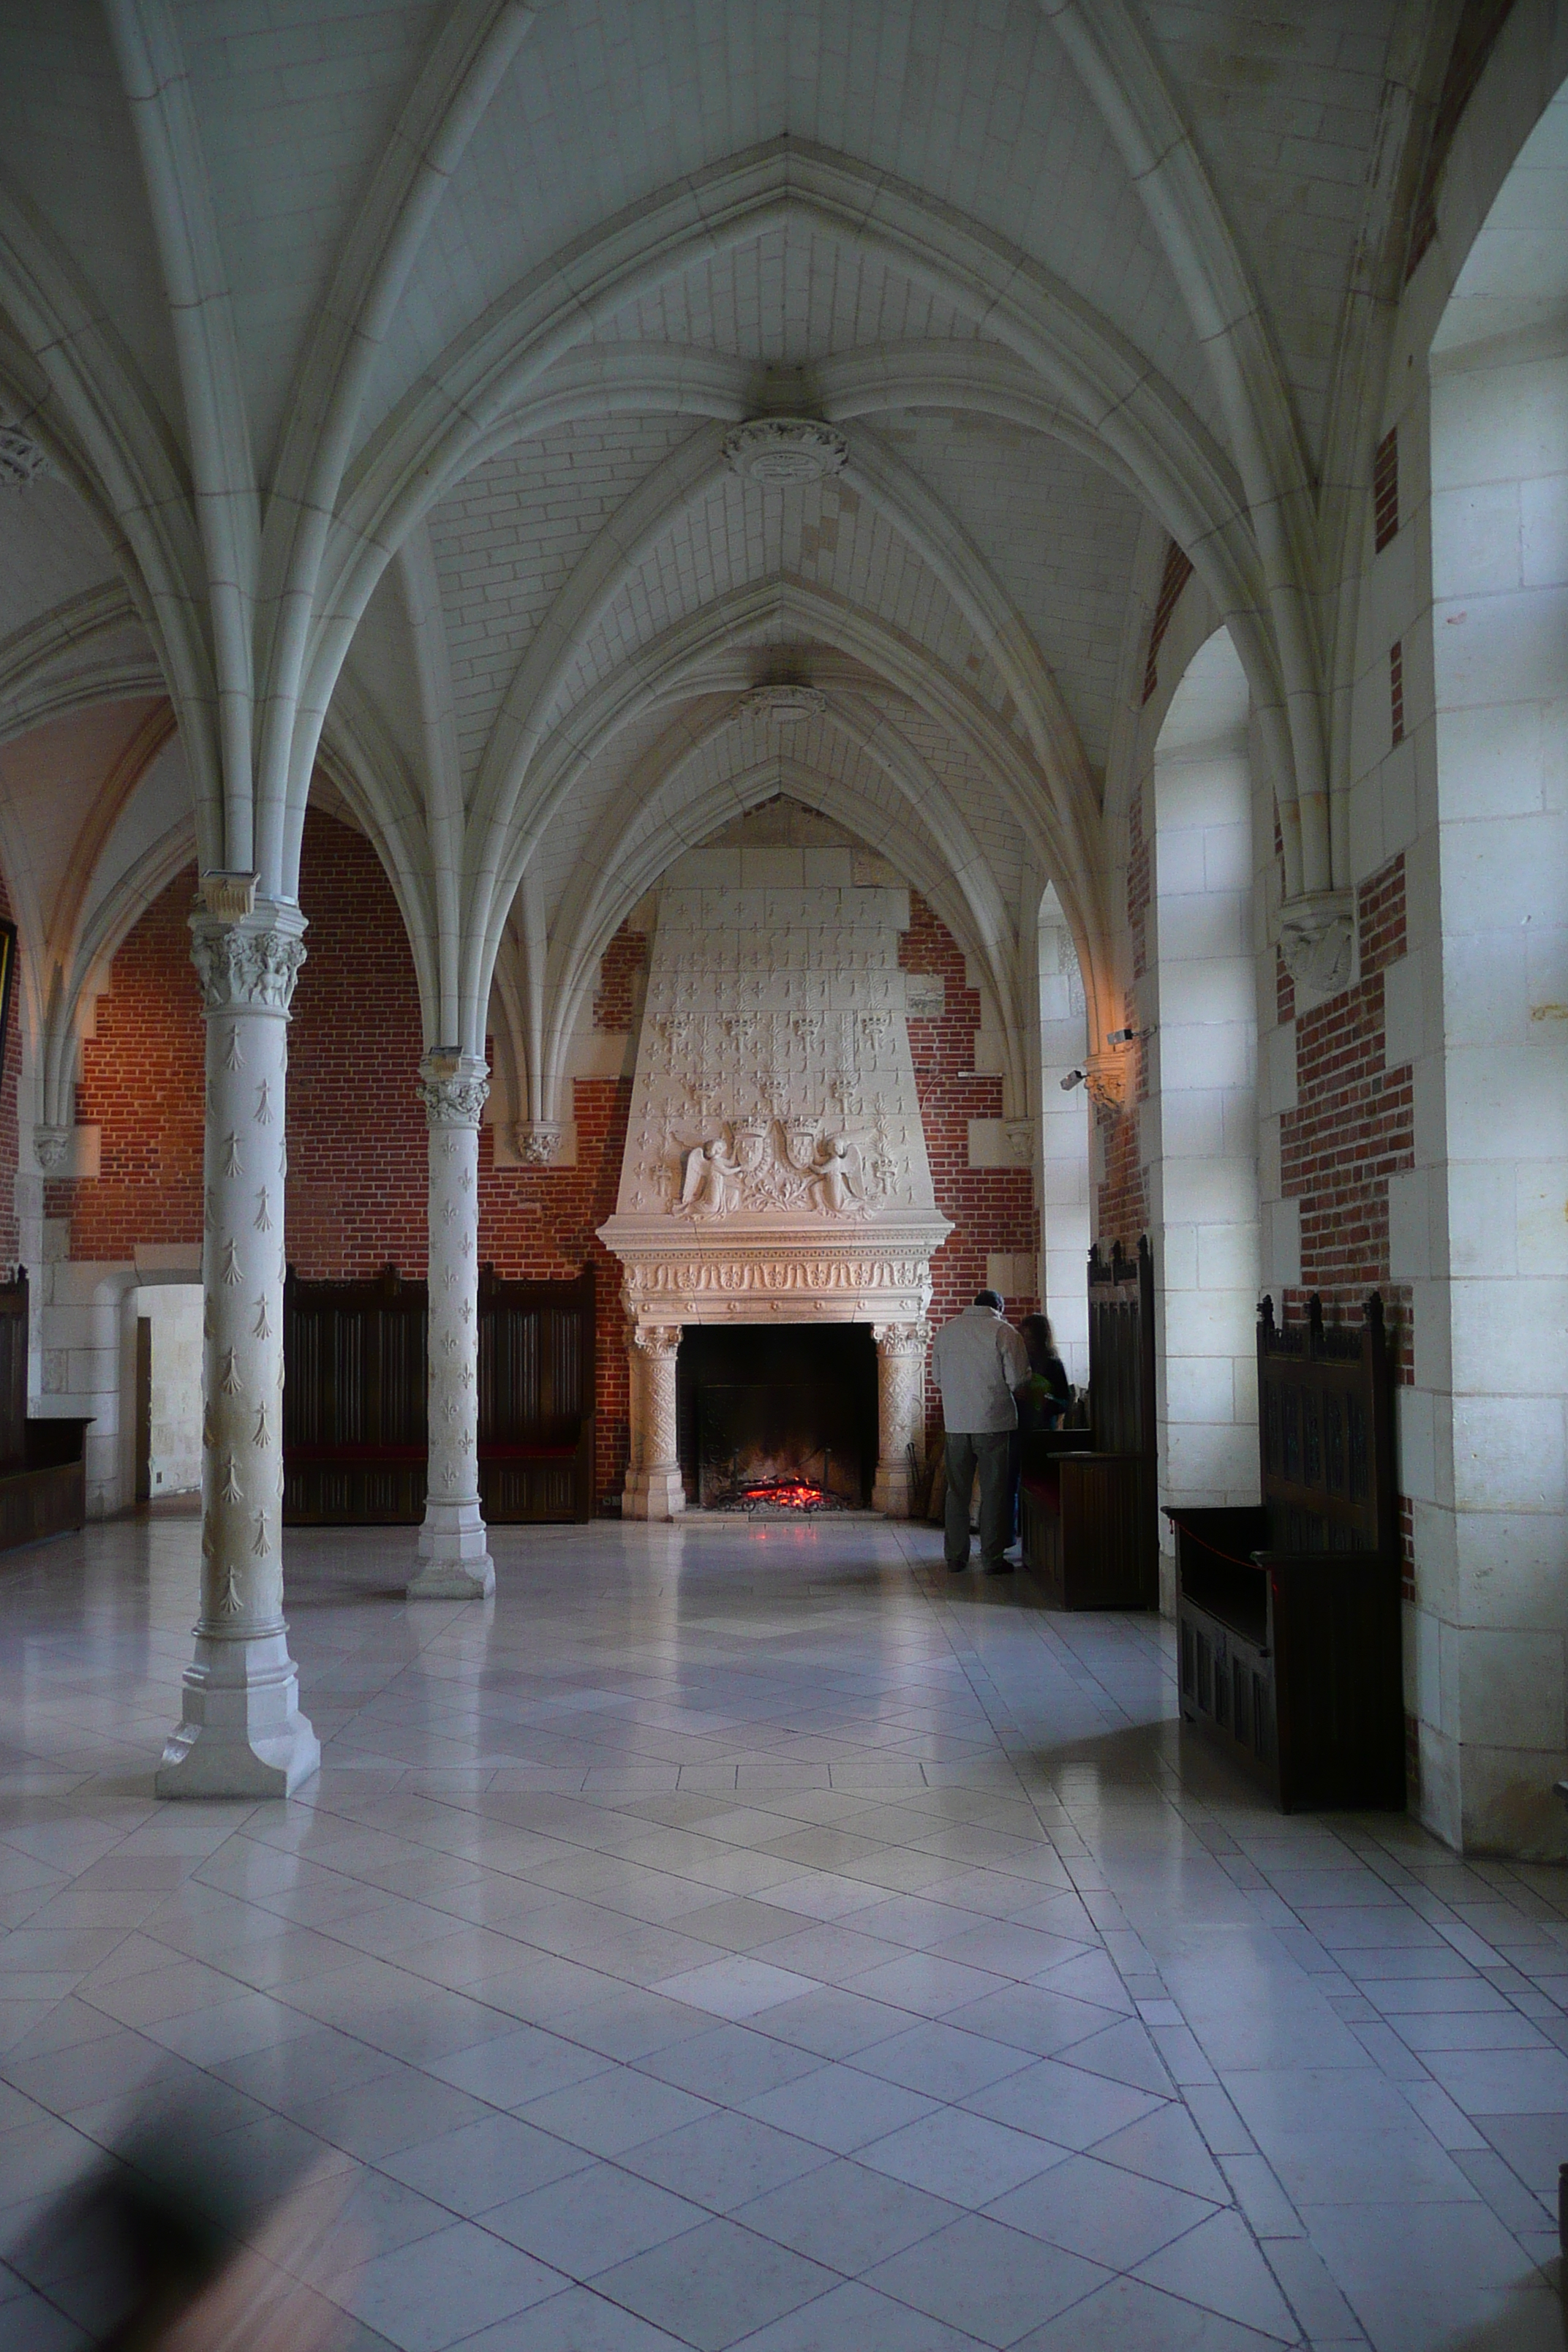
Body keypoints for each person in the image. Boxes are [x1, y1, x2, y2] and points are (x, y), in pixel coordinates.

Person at [930, 1289, 1029, 1575]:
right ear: (999, 1306)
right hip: (993, 1423)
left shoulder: (946, 1332)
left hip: (956, 1423)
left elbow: (937, 1378)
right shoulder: (1004, 1332)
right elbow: (1017, 1380)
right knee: (994, 1493)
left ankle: (955, 1557)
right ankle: (991, 1558)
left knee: (956, 1493)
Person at [1010, 1312, 1073, 1544]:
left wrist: (1046, 1399)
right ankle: (1017, 1533)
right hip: (1018, 1428)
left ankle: (1036, 1537)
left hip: (1043, 1432)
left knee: (1037, 1481)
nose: (1025, 1343)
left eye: (1029, 1338)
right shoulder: (1017, 1362)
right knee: (1014, 1482)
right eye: (1022, 1338)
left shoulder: (1053, 1365)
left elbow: (1064, 1400)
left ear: (1040, 1339)